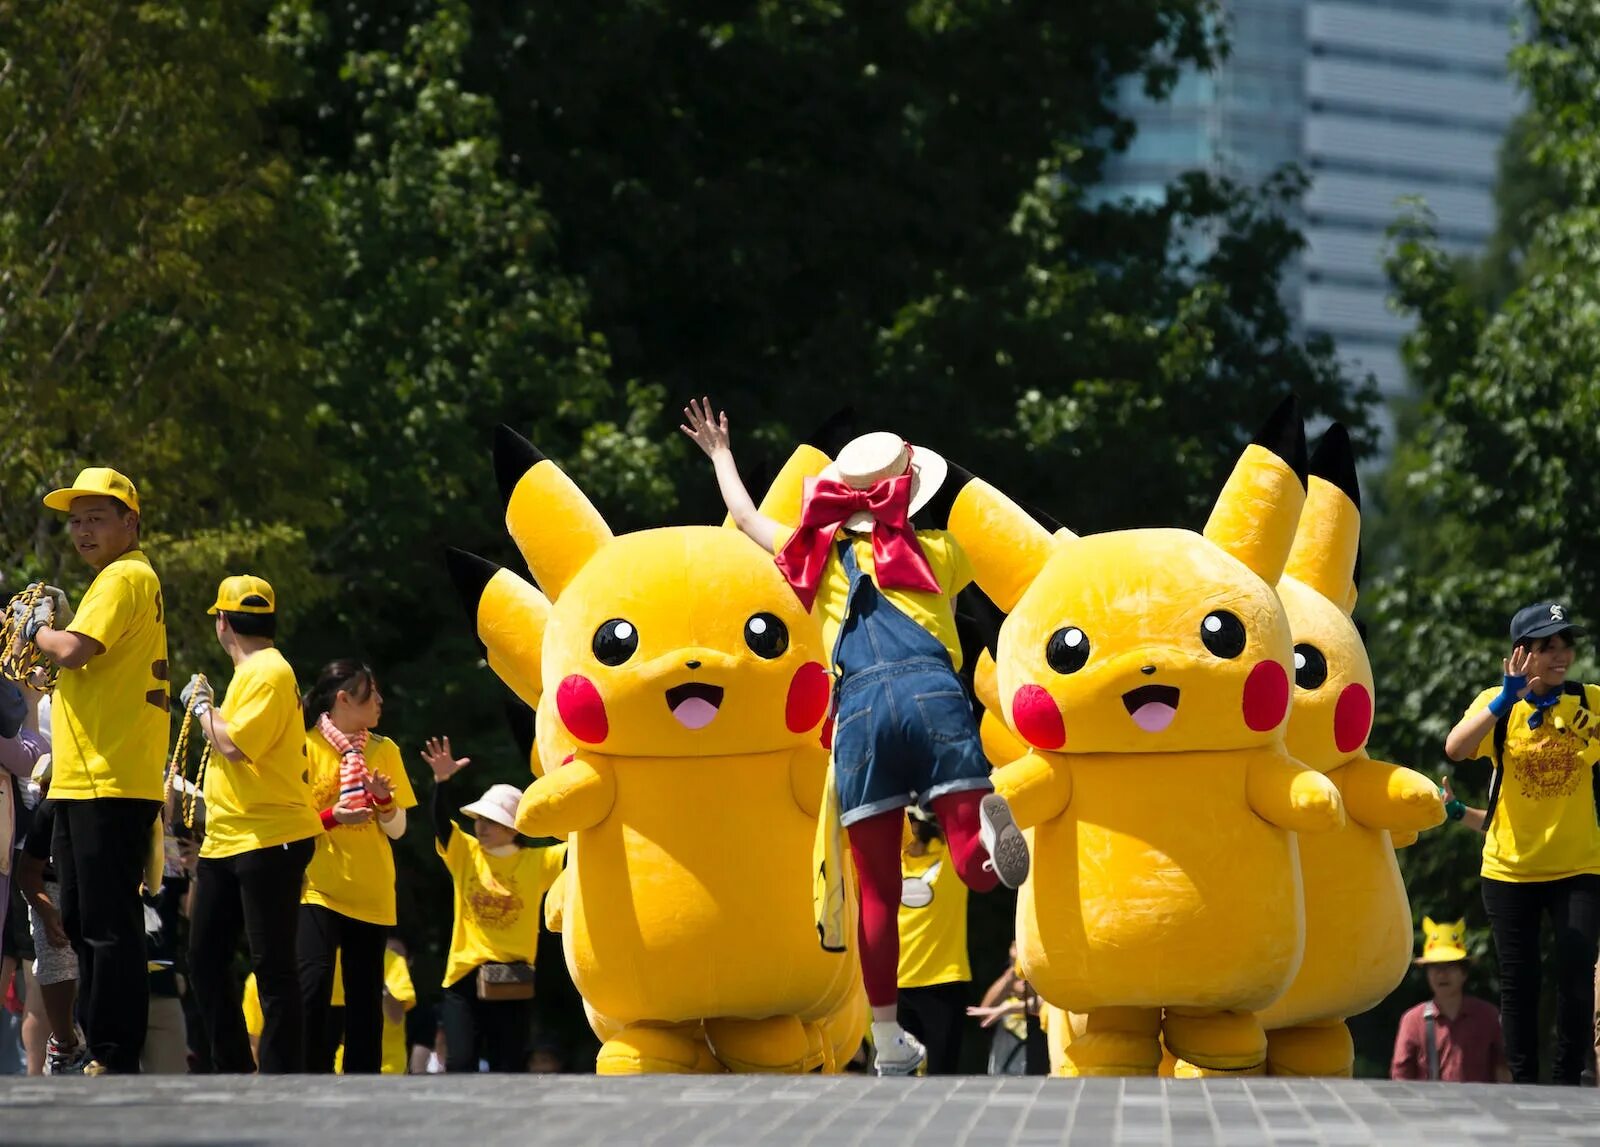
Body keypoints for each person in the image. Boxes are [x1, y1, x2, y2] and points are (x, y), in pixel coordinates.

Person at [682, 398, 1028, 1076]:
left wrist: (722, 455)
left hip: (861, 714)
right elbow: (1000, 552)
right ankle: (982, 838)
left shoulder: (815, 552)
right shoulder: (942, 552)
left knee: (877, 888)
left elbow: (748, 520)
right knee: (968, 869)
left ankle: (890, 1042)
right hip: (935, 695)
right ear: (910, 489)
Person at [30, 467, 169, 1074]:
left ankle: (114, 1055)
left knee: (107, 923)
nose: (83, 530)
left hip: (109, 777)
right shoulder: (119, 580)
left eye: (97, 517)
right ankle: (105, 1048)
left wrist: (36, 629)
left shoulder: (122, 576)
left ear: (129, 523)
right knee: (87, 916)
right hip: (92, 775)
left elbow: (73, 650)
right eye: (76, 519)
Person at [1443, 601, 1600, 1085]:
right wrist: (1503, 700)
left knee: (1575, 977)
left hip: (1578, 866)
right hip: (1509, 870)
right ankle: (1525, 1085)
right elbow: (1456, 748)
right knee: (1520, 982)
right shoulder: (1498, 703)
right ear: (1521, 653)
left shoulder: (1591, 699)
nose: (1560, 655)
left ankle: (1568, 1078)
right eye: (1547, 646)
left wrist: (1583, 725)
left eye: (1565, 644)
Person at [180, 575, 320, 1073]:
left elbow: (236, 745)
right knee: (205, 959)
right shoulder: (254, 673)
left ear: (223, 622)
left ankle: (282, 1075)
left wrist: (201, 709)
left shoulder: (268, 672)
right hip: (230, 836)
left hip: (271, 836)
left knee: (273, 965)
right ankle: (235, 1067)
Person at [299, 660, 415, 1074]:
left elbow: (399, 830)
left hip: (372, 891)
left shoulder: (385, 750)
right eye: (372, 693)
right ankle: (305, 1082)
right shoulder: (302, 746)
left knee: (365, 1001)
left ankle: (363, 1092)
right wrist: (334, 817)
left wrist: (384, 801)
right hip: (318, 888)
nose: (381, 701)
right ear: (344, 699)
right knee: (311, 990)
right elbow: (290, 823)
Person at [423, 736, 565, 1073]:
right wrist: (441, 782)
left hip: (511, 977)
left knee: (509, 1066)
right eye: (480, 818)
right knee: (460, 1063)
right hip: (463, 975)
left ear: (514, 828)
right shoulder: (465, 853)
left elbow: (584, 847)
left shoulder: (538, 862)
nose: (481, 826)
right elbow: (441, 823)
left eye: (492, 820)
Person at [895, 809, 971, 1075]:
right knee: (893, 1079)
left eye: (915, 826)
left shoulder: (949, 853)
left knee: (943, 1077)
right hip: (895, 986)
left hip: (943, 982)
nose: (910, 834)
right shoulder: (890, 860)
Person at [1390, 916, 1508, 1082]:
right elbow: (1401, 1076)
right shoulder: (1413, 1020)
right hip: (1429, 1104)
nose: (1442, 974)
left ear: (1464, 973)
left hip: (1480, 1105)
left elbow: (1502, 1070)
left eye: (1450, 966)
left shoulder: (1488, 1016)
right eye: (1435, 967)